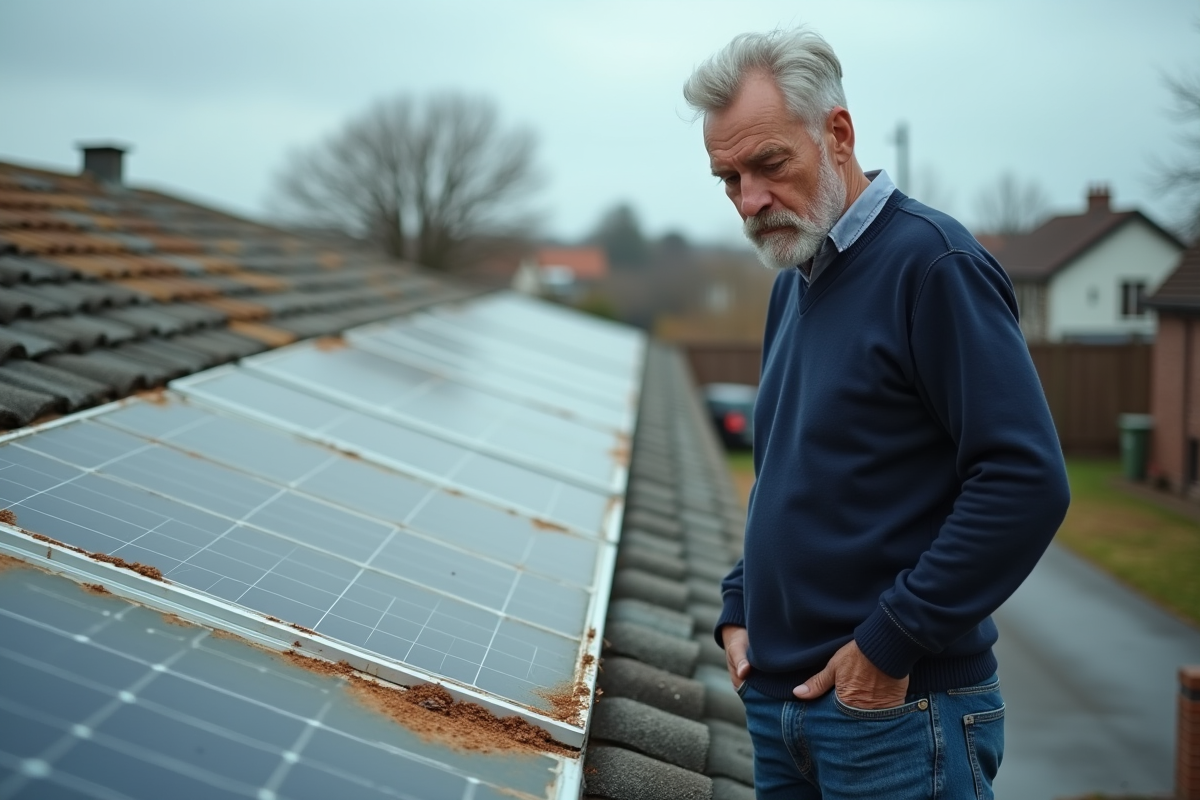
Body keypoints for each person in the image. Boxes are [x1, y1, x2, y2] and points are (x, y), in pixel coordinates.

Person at [683, 29, 1070, 799]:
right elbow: (786, 475)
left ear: (837, 133)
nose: (749, 201)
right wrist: (738, 604)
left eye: (768, 165)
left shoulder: (933, 266)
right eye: (727, 178)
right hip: (779, 713)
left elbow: (1025, 480)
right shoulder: (793, 280)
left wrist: (890, 645)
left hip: (894, 714)